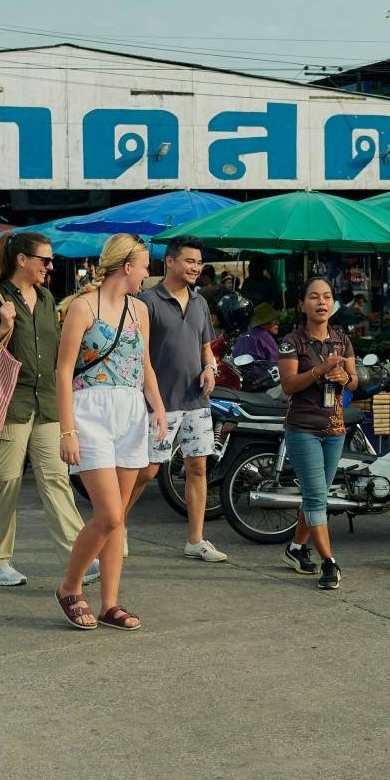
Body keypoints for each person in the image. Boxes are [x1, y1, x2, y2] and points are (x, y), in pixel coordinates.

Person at [0, 231, 91, 591]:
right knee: (6, 484)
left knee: (56, 479)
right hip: (6, 404)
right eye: (44, 260)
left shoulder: (48, 299)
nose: (50, 267)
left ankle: (77, 554)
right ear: (22, 260)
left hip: (46, 403)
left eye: (51, 261)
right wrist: (3, 327)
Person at [54, 234, 168, 631]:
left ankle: (110, 603)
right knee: (109, 513)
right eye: (144, 265)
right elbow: (64, 371)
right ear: (126, 266)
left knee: (119, 520)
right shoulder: (84, 307)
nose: (147, 272)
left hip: (131, 412)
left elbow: (146, 365)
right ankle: (70, 587)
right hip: (90, 411)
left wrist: (157, 407)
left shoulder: (140, 310)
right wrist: (67, 429)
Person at [136, 237, 228, 564]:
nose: (195, 268)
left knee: (198, 467)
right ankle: (111, 527)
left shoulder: (200, 302)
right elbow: (139, 354)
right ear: (170, 261)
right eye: (189, 261)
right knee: (147, 472)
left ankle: (196, 540)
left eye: (199, 262)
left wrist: (209, 369)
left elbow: (206, 347)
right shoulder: (146, 301)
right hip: (159, 402)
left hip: (196, 402)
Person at [273, 278, 358, 590]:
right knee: (316, 497)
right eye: (313, 297)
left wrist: (343, 375)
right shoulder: (291, 341)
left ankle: (295, 549)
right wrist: (319, 371)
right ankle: (329, 561)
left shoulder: (342, 341)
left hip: (335, 429)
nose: (321, 302)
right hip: (303, 429)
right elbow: (288, 385)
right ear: (302, 305)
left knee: (316, 495)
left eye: (327, 296)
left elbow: (354, 384)